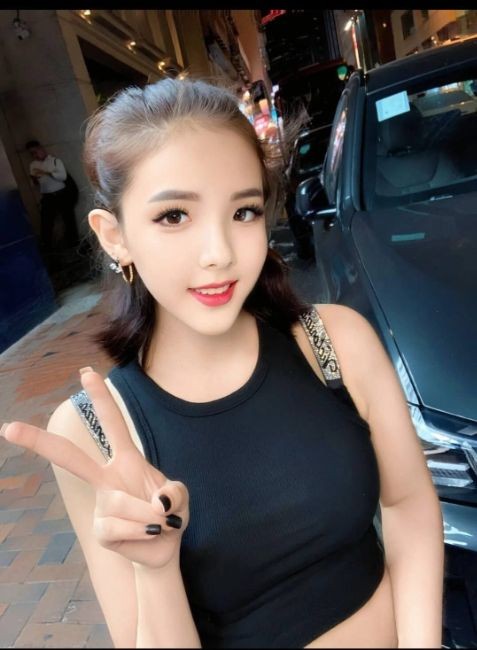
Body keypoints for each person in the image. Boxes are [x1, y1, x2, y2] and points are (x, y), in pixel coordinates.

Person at [3, 78, 444, 648]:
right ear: (115, 237)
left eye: (244, 211)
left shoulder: (335, 344)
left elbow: (407, 504)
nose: (220, 253)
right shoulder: (93, 434)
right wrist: (156, 568)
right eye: (174, 216)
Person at [26, 139, 79, 254]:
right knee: (46, 223)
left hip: (62, 194)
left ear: (41, 149)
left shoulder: (55, 161)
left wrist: (47, 172)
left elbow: (63, 177)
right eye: (32, 154)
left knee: (68, 220)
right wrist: (34, 179)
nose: (35, 155)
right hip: (47, 197)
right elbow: (35, 184)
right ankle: (48, 249)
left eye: (36, 151)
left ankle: (74, 245)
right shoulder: (33, 165)